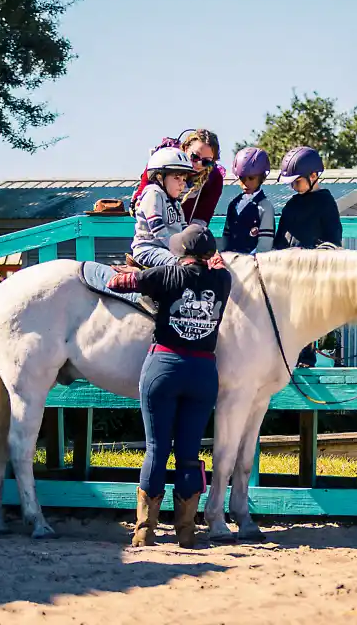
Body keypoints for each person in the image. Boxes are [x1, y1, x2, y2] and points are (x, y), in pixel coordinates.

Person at [106, 224, 232, 548]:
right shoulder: (223, 280)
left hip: (164, 365)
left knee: (157, 449)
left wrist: (130, 272)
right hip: (203, 372)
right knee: (189, 454)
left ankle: (145, 530)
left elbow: (118, 283)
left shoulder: (165, 275)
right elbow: (221, 267)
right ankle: (186, 531)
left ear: (181, 251)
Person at [273, 145, 342, 367]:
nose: (294, 186)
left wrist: (313, 254)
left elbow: (333, 242)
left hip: (313, 274)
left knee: (307, 318)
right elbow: (280, 238)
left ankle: (308, 359)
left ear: (314, 176)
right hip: (288, 273)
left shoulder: (325, 203)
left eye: (297, 181)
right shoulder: (292, 204)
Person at [132, 129, 224, 228]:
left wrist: (188, 236)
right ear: (185, 148)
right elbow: (138, 204)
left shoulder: (214, 177)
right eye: (195, 157)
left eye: (206, 162)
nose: (198, 164)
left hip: (183, 236)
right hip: (152, 232)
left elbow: (203, 218)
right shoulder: (161, 161)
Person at [130, 147, 195, 269]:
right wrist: (178, 249)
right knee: (181, 264)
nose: (182, 184)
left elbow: (183, 227)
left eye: (184, 179)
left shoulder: (175, 203)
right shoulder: (154, 194)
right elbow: (157, 228)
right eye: (176, 178)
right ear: (159, 177)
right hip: (148, 249)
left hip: (166, 249)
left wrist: (194, 245)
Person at [222, 146, 275, 254]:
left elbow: (265, 242)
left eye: (251, 178)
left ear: (263, 177)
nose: (245, 183)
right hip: (231, 262)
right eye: (241, 178)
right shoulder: (233, 204)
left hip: (252, 265)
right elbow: (226, 236)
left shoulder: (265, 207)